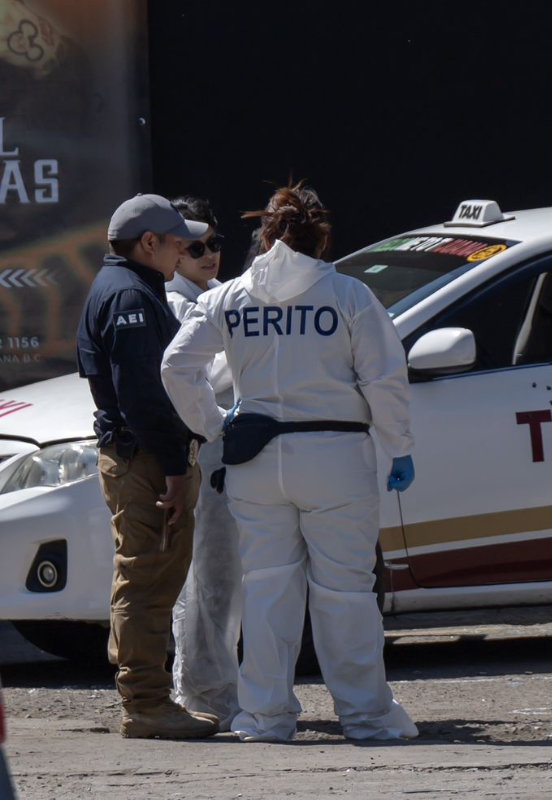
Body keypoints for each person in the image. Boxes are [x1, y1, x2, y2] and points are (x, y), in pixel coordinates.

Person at [160, 183, 418, 742]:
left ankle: (265, 717)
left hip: (256, 460)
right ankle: (367, 716)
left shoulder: (228, 297)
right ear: (321, 238)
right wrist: (398, 446)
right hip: (336, 458)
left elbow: (176, 367)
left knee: (268, 589)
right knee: (345, 592)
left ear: (264, 236)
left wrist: (215, 425)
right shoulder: (348, 295)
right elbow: (385, 378)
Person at [76, 193, 217, 738]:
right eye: (179, 239)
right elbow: (143, 395)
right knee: (148, 578)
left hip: (141, 454)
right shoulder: (130, 295)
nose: (190, 246)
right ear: (149, 243)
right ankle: (147, 704)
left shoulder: (129, 287)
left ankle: (146, 698)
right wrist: (176, 469)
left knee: (146, 574)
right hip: (146, 459)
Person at [165, 196, 242, 730]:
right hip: (202, 446)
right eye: (196, 247)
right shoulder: (172, 303)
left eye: (215, 243)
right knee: (204, 578)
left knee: (225, 577)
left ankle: (217, 686)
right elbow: (193, 377)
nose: (209, 254)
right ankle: (203, 693)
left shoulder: (217, 295)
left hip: (227, 450)